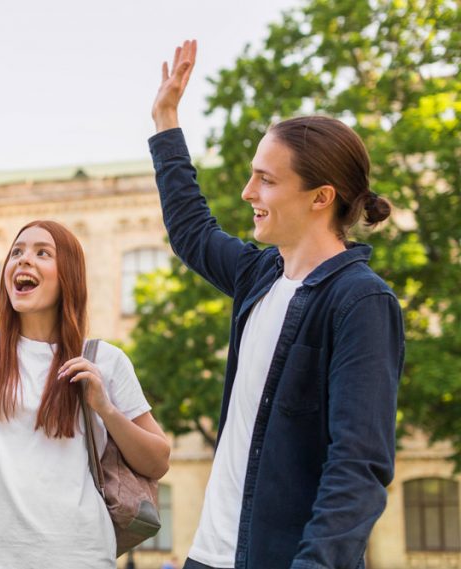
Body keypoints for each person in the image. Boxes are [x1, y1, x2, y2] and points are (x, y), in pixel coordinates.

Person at [149, 41, 404, 569]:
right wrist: (166, 122)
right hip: (208, 557)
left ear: (320, 197)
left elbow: (357, 466)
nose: (247, 192)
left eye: (266, 179)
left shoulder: (360, 302)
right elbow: (192, 231)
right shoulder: (260, 275)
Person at [0, 111, 170, 568]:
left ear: (69, 277)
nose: (24, 260)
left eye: (42, 253)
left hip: (76, 555)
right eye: (16, 252)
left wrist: (105, 408)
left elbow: (158, 460)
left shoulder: (105, 361)